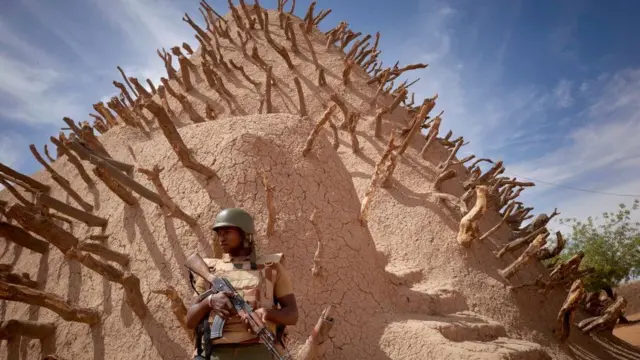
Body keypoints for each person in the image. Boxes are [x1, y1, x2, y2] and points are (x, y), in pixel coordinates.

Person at [186, 208, 299, 359]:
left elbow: (292, 315)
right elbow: (190, 320)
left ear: (244, 233)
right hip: (216, 353)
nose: (221, 238)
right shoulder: (210, 271)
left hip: (257, 351)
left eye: (227, 232)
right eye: (219, 233)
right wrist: (210, 301)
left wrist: (266, 313)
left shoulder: (270, 267)